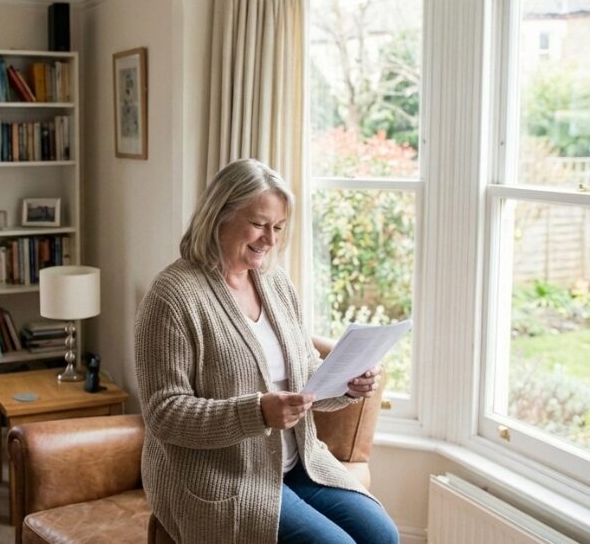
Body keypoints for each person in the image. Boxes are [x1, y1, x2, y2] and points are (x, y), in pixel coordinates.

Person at [135, 158, 399, 544]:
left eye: (278, 227)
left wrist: (346, 384)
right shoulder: (173, 296)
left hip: (299, 463)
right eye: (259, 224)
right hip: (225, 476)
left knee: (384, 536)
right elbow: (164, 413)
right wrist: (256, 412)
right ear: (219, 215)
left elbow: (305, 375)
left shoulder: (275, 282)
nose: (270, 240)